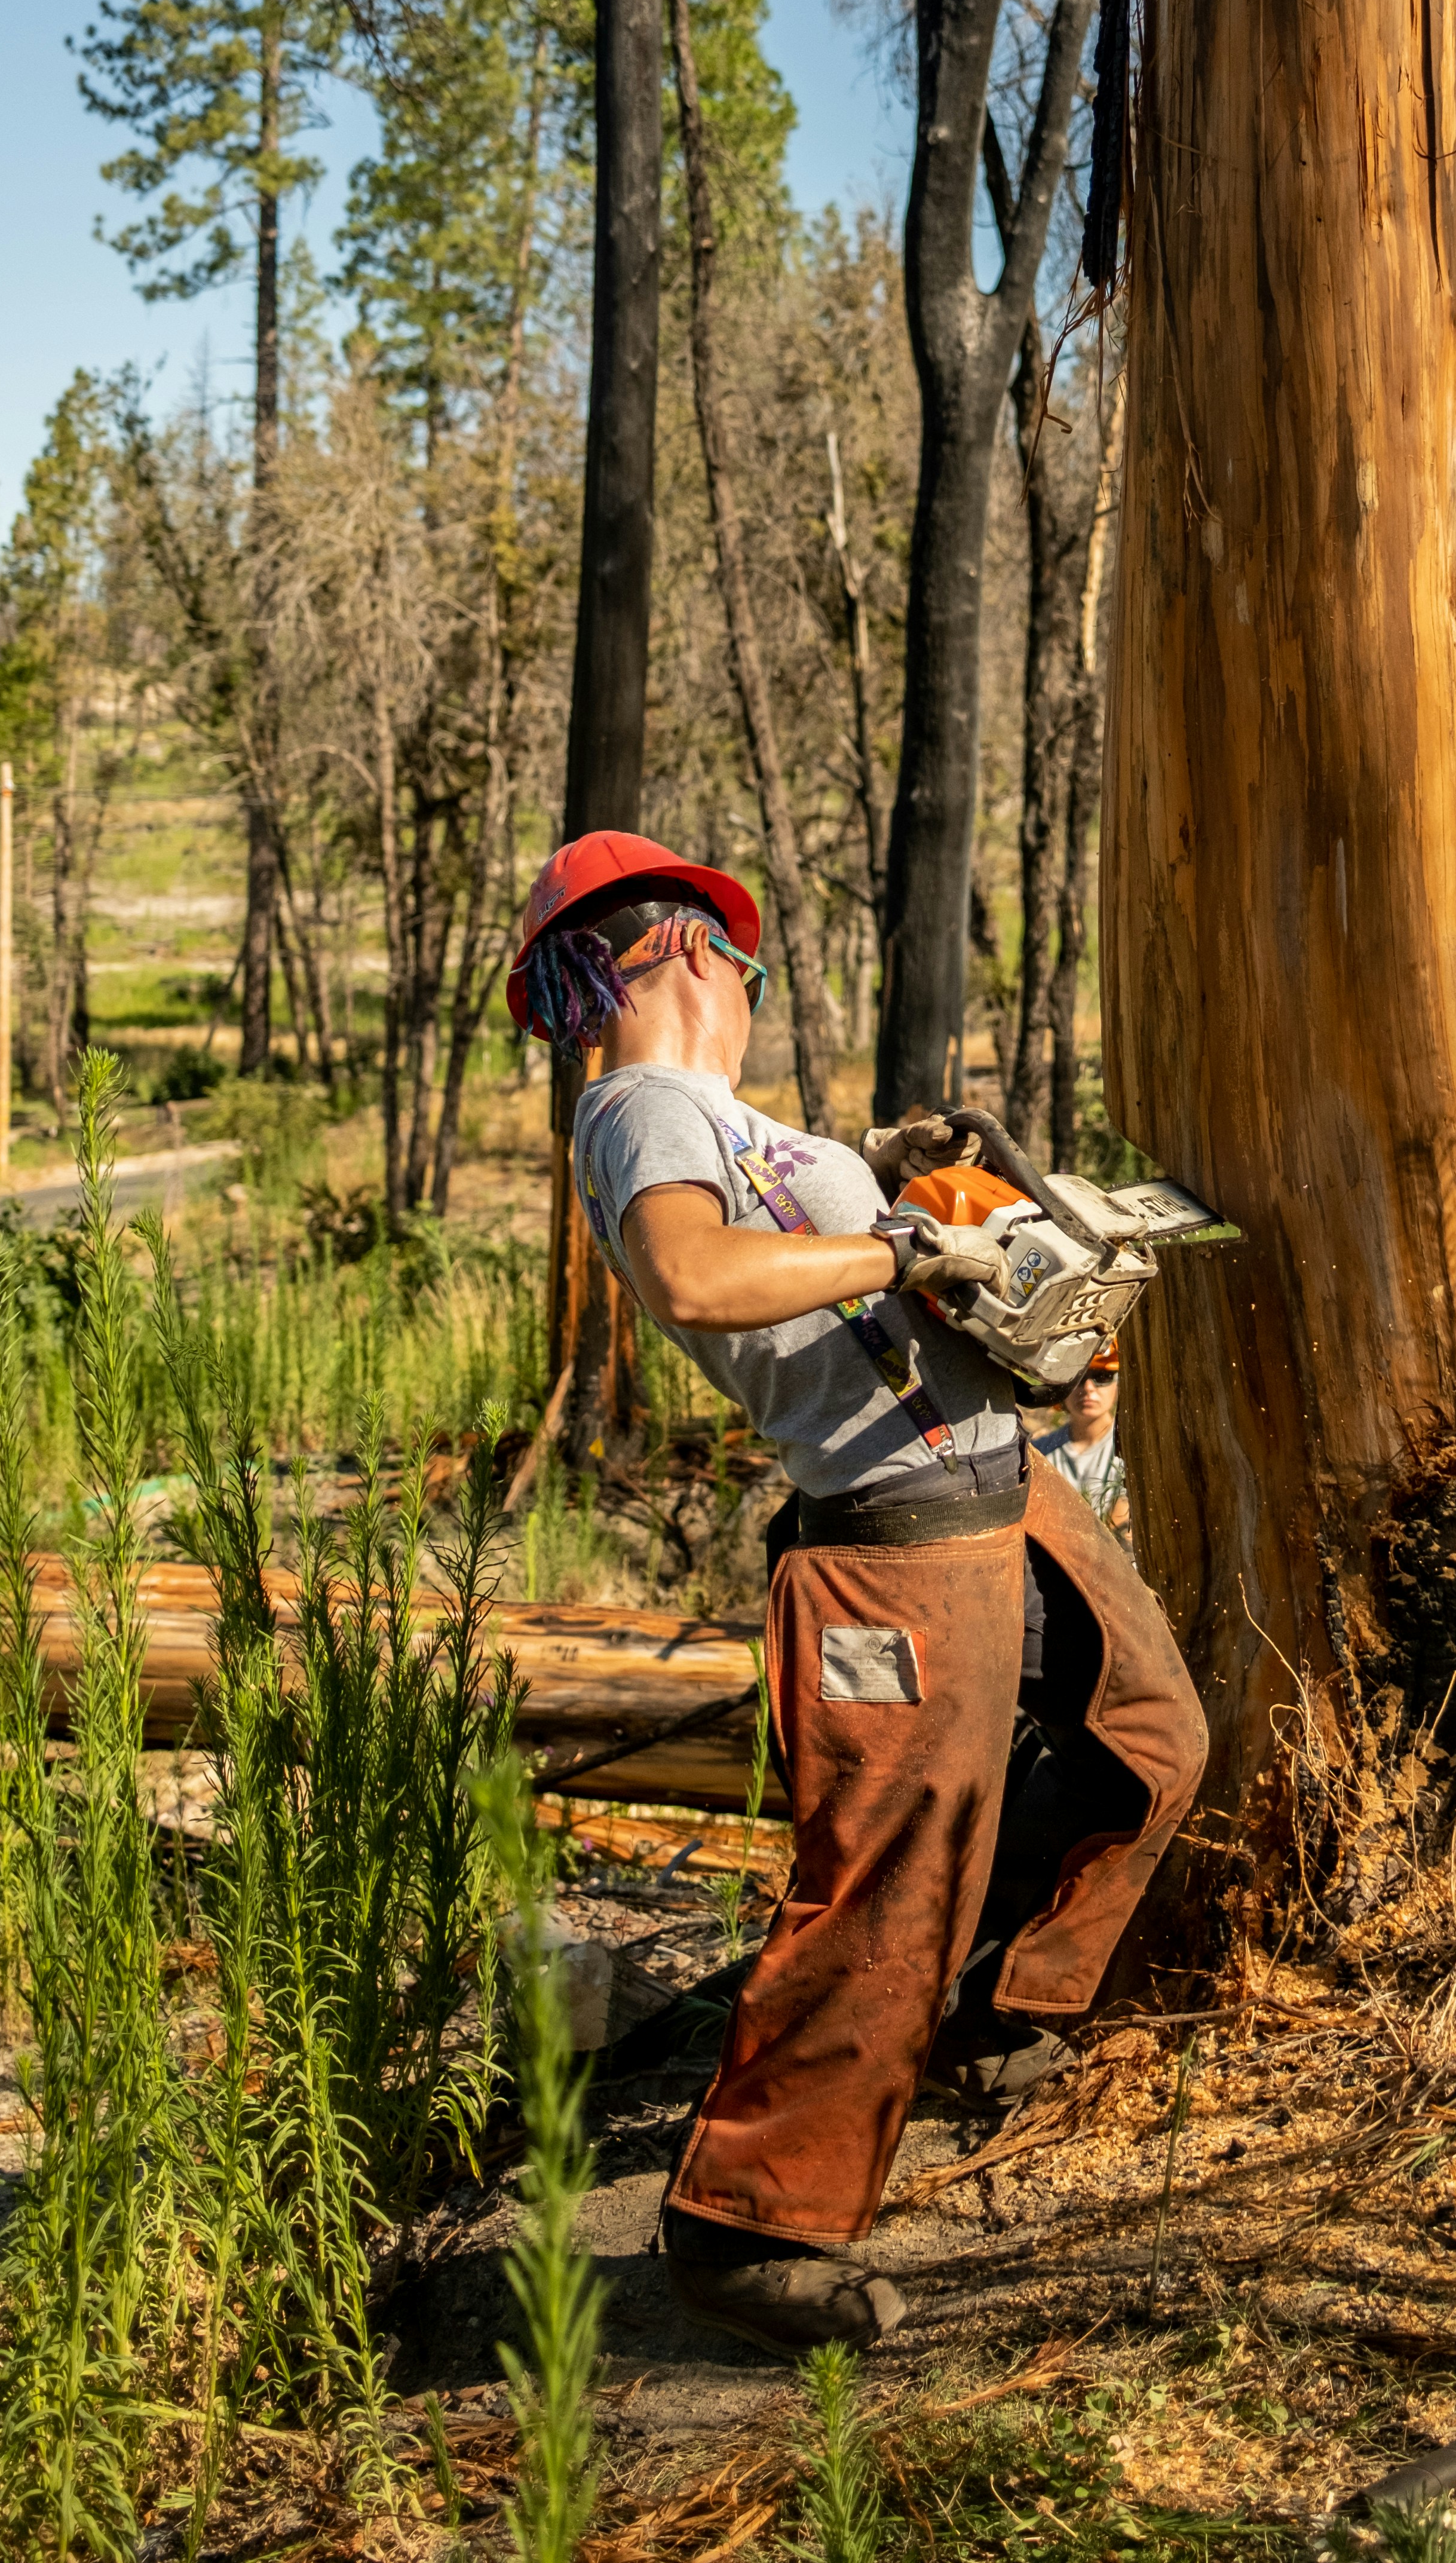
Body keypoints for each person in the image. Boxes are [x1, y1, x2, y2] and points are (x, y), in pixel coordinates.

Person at [507, 831, 1207, 2358]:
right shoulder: (636, 1110)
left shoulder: (734, 1122)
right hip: (888, 1540)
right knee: (885, 1882)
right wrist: (901, 1241)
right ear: (693, 949)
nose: (752, 992)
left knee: (1147, 1738)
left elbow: (828, 1258)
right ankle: (745, 2227)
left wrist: (958, 1231)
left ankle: (981, 2021)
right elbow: (695, 1276)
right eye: (750, 968)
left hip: (997, 1483)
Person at [1033, 1343, 1126, 1542]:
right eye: (1077, 1378)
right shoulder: (1039, 1453)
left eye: (1102, 1377)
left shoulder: (1131, 1449)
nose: (1088, 1388)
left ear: (1119, 1385)